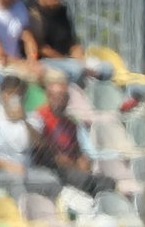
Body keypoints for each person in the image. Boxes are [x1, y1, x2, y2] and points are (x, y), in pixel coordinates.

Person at [30, 68, 116, 205]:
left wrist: (84, 159)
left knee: (108, 182)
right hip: (53, 170)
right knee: (86, 181)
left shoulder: (70, 123)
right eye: (55, 96)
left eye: (63, 97)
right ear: (48, 96)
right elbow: (49, 155)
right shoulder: (39, 119)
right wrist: (74, 165)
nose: (59, 100)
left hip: (73, 169)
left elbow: (78, 151)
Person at [28, 0, 110, 84]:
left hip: (67, 60)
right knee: (76, 70)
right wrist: (68, 61)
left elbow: (73, 43)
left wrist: (80, 59)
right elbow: (41, 48)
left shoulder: (62, 11)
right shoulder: (33, 12)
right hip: (45, 61)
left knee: (107, 69)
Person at [0, 0, 38, 76]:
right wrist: (24, 64)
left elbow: (28, 38)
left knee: (55, 76)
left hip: (15, 63)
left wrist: (32, 59)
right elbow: (0, 55)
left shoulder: (20, 7)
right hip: (2, 63)